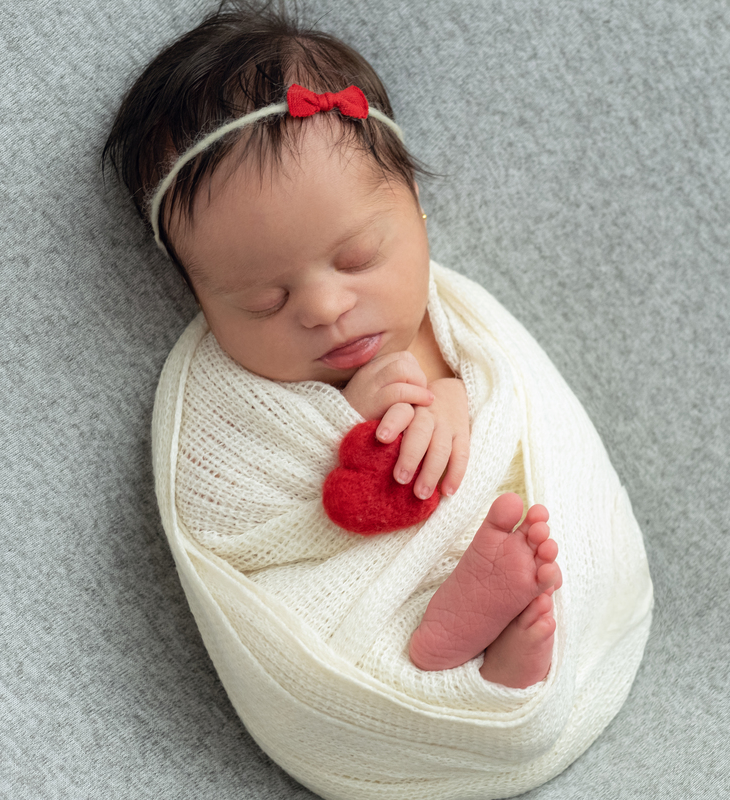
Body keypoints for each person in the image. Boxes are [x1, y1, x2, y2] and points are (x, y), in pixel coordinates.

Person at [105, 4, 651, 797]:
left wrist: (457, 407)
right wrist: (348, 432)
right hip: (350, 604)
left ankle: (489, 637)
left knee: (524, 517)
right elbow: (234, 529)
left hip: (485, 535)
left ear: (417, 212)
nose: (324, 308)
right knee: (338, 629)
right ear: (197, 296)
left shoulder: (451, 321)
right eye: (261, 299)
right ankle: (444, 657)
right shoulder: (222, 400)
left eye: (357, 256)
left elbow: (513, 406)